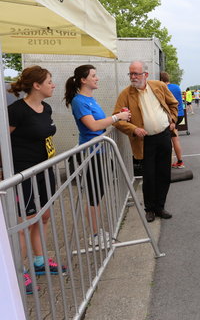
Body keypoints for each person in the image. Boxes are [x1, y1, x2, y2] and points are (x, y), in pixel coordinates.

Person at [8, 66, 65, 294]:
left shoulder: (46, 107)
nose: (53, 85)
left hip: (45, 171)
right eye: (50, 81)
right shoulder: (17, 110)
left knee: (44, 216)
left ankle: (40, 262)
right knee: (26, 221)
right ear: (36, 85)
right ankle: (18, 273)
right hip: (24, 175)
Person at [64, 64, 131, 248]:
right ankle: (94, 235)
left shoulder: (90, 99)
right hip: (91, 154)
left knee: (98, 194)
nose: (97, 78)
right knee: (94, 196)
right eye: (93, 75)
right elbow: (93, 126)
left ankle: (97, 231)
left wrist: (118, 115)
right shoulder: (79, 101)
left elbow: (100, 123)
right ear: (83, 80)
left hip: (100, 152)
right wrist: (118, 118)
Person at [113, 61, 178, 222]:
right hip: (144, 141)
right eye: (131, 74)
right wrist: (134, 129)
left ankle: (160, 207)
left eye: (136, 73)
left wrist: (173, 120)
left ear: (146, 75)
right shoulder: (126, 94)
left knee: (164, 174)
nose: (133, 77)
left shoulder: (159, 86)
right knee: (149, 177)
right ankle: (149, 208)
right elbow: (117, 119)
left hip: (163, 136)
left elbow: (173, 104)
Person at [159, 71, 185, 168]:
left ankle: (172, 163)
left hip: (171, 116)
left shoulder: (163, 88)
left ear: (161, 80)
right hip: (180, 114)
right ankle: (179, 161)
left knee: (170, 140)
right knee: (175, 139)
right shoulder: (176, 87)